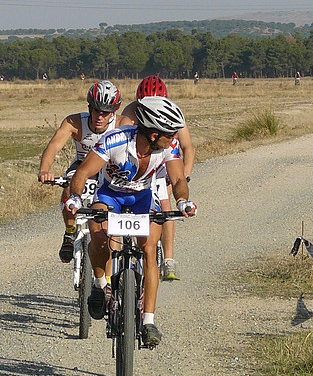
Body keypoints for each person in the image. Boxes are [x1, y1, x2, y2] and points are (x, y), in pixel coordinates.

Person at [65, 96, 197, 347]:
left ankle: (148, 321)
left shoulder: (169, 147)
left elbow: (178, 179)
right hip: (110, 194)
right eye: (170, 134)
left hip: (142, 197)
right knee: (99, 234)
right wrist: (74, 196)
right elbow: (83, 172)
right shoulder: (115, 141)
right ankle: (100, 284)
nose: (174, 138)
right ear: (154, 134)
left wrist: (182, 202)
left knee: (149, 249)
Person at [38, 80, 123, 263]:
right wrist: (45, 170)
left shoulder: (121, 124)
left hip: (109, 170)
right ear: (89, 107)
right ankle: (70, 232)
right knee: (69, 187)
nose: (100, 117)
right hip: (81, 167)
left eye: (105, 113)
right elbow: (54, 146)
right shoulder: (75, 122)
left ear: (113, 112)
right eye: (96, 110)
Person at [121, 75, 195, 280]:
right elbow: (121, 139)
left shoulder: (173, 113)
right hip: (140, 164)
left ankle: (168, 259)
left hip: (164, 163)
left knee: (165, 205)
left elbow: (187, 147)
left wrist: (184, 174)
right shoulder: (130, 111)